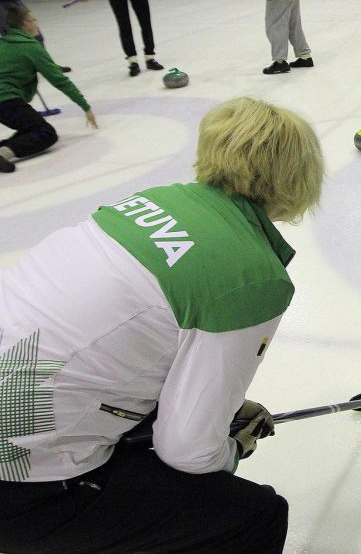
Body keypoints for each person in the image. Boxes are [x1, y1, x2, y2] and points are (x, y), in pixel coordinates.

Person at [0, 97, 325, 552]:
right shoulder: (250, 277)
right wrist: (233, 447)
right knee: (255, 517)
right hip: (21, 480)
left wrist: (223, 408)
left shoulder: (151, 201)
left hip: (15, 406)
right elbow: (189, 452)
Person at [0, 7, 97, 174]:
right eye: (33, 20)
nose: (36, 23)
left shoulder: (3, 43)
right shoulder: (32, 47)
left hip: (6, 101)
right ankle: (3, 153)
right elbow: (59, 80)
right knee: (45, 133)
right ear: (25, 24)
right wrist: (85, 106)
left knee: (29, 128)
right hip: (7, 100)